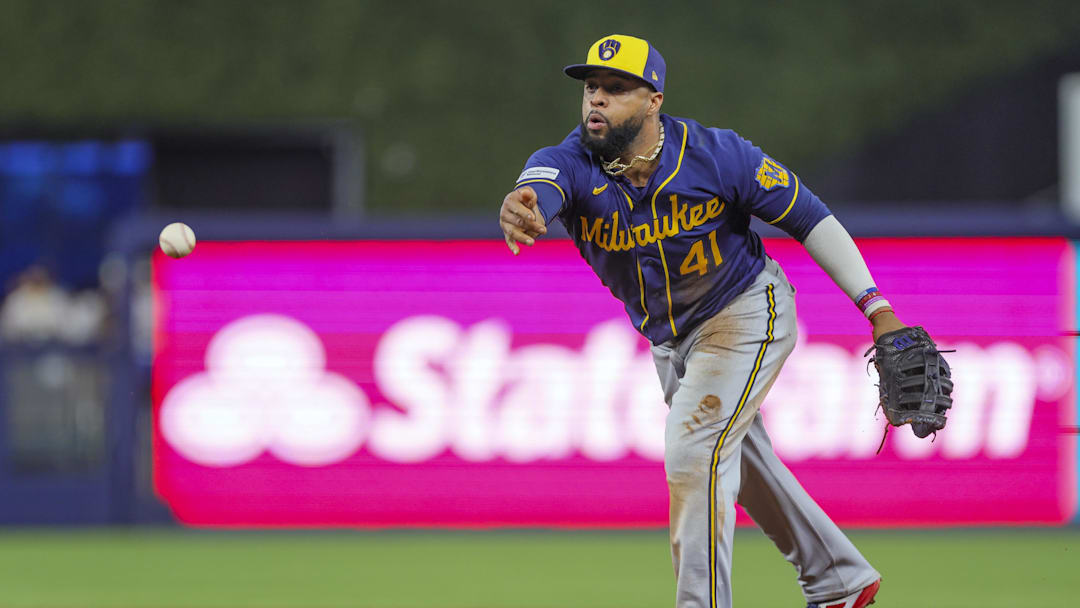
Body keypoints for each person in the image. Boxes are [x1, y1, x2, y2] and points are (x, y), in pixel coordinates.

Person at [498, 34, 900, 608]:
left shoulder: (717, 155)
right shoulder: (571, 161)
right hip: (671, 342)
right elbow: (541, 185)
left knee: (693, 451)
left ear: (654, 100)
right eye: (591, 87)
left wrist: (877, 308)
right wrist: (524, 202)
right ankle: (839, 579)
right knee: (740, 463)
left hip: (745, 311)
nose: (597, 99)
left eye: (617, 88)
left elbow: (810, 218)